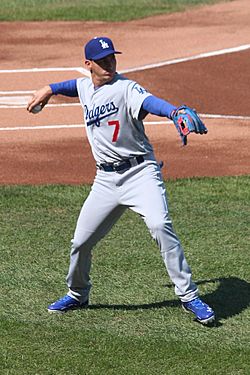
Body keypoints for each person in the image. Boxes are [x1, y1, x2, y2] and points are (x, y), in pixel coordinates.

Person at [27, 36, 215, 324]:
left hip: (140, 174)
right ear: (88, 64)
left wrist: (173, 112)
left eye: (112, 58)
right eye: (102, 61)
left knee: (159, 225)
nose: (110, 64)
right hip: (105, 180)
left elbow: (150, 102)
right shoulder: (85, 87)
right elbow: (72, 86)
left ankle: (189, 296)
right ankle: (78, 293)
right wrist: (49, 89)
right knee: (81, 242)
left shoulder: (125, 88)